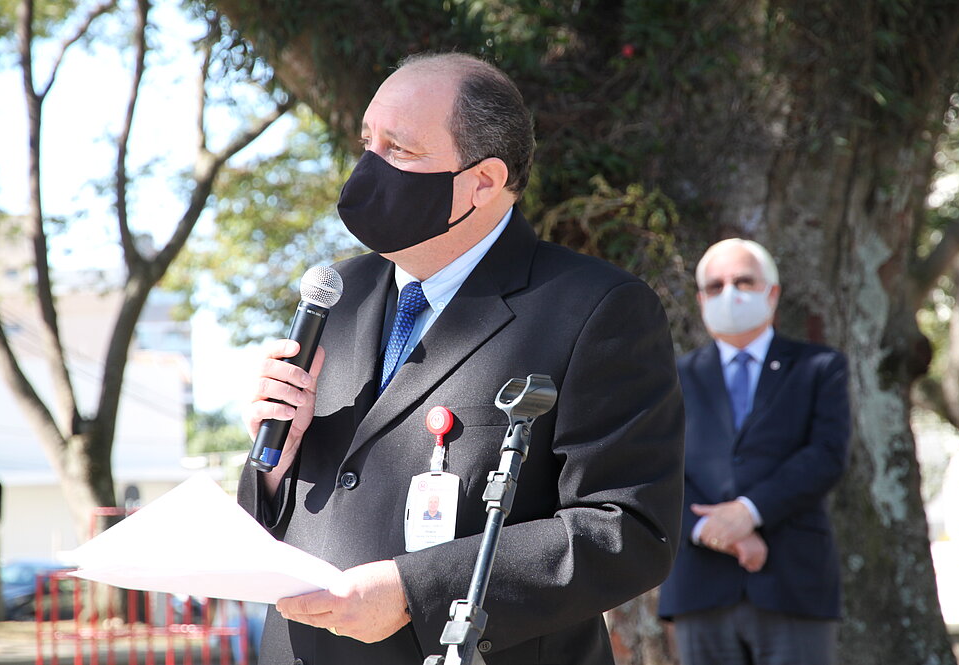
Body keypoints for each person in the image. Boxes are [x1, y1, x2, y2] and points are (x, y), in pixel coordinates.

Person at [237, 52, 685, 665]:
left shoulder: (596, 309)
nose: (370, 168)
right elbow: (296, 509)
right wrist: (268, 467)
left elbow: (625, 532)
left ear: (484, 181)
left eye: (400, 150)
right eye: (368, 142)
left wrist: (416, 593)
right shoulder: (337, 297)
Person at [657, 238, 851, 665]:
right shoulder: (670, 377)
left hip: (792, 582)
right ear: (701, 298)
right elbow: (653, 465)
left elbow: (826, 454)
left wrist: (749, 511)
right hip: (699, 585)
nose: (730, 292)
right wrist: (715, 531)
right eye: (716, 284)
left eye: (744, 281)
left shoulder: (819, 367)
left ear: (772, 292)